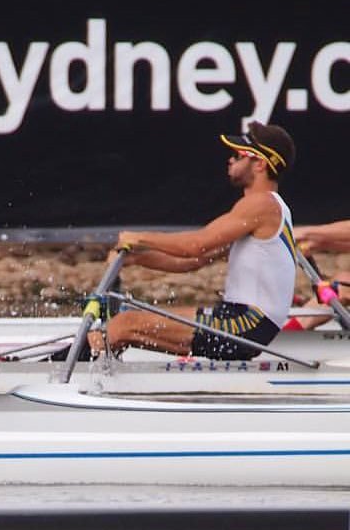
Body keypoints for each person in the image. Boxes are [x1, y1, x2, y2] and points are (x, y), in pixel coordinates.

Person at [88, 121, 297, 359]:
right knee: (129, 321)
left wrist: (138, 237)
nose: (230, 160)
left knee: (126, 324)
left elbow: (195, 245)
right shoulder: (263, 209)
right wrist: (136, 259)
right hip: (238, 318)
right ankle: (89, 367)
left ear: (260, 163)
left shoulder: (262, 205)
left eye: (237, 155)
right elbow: (192, 261)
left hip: (247, 325)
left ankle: (60, 373)